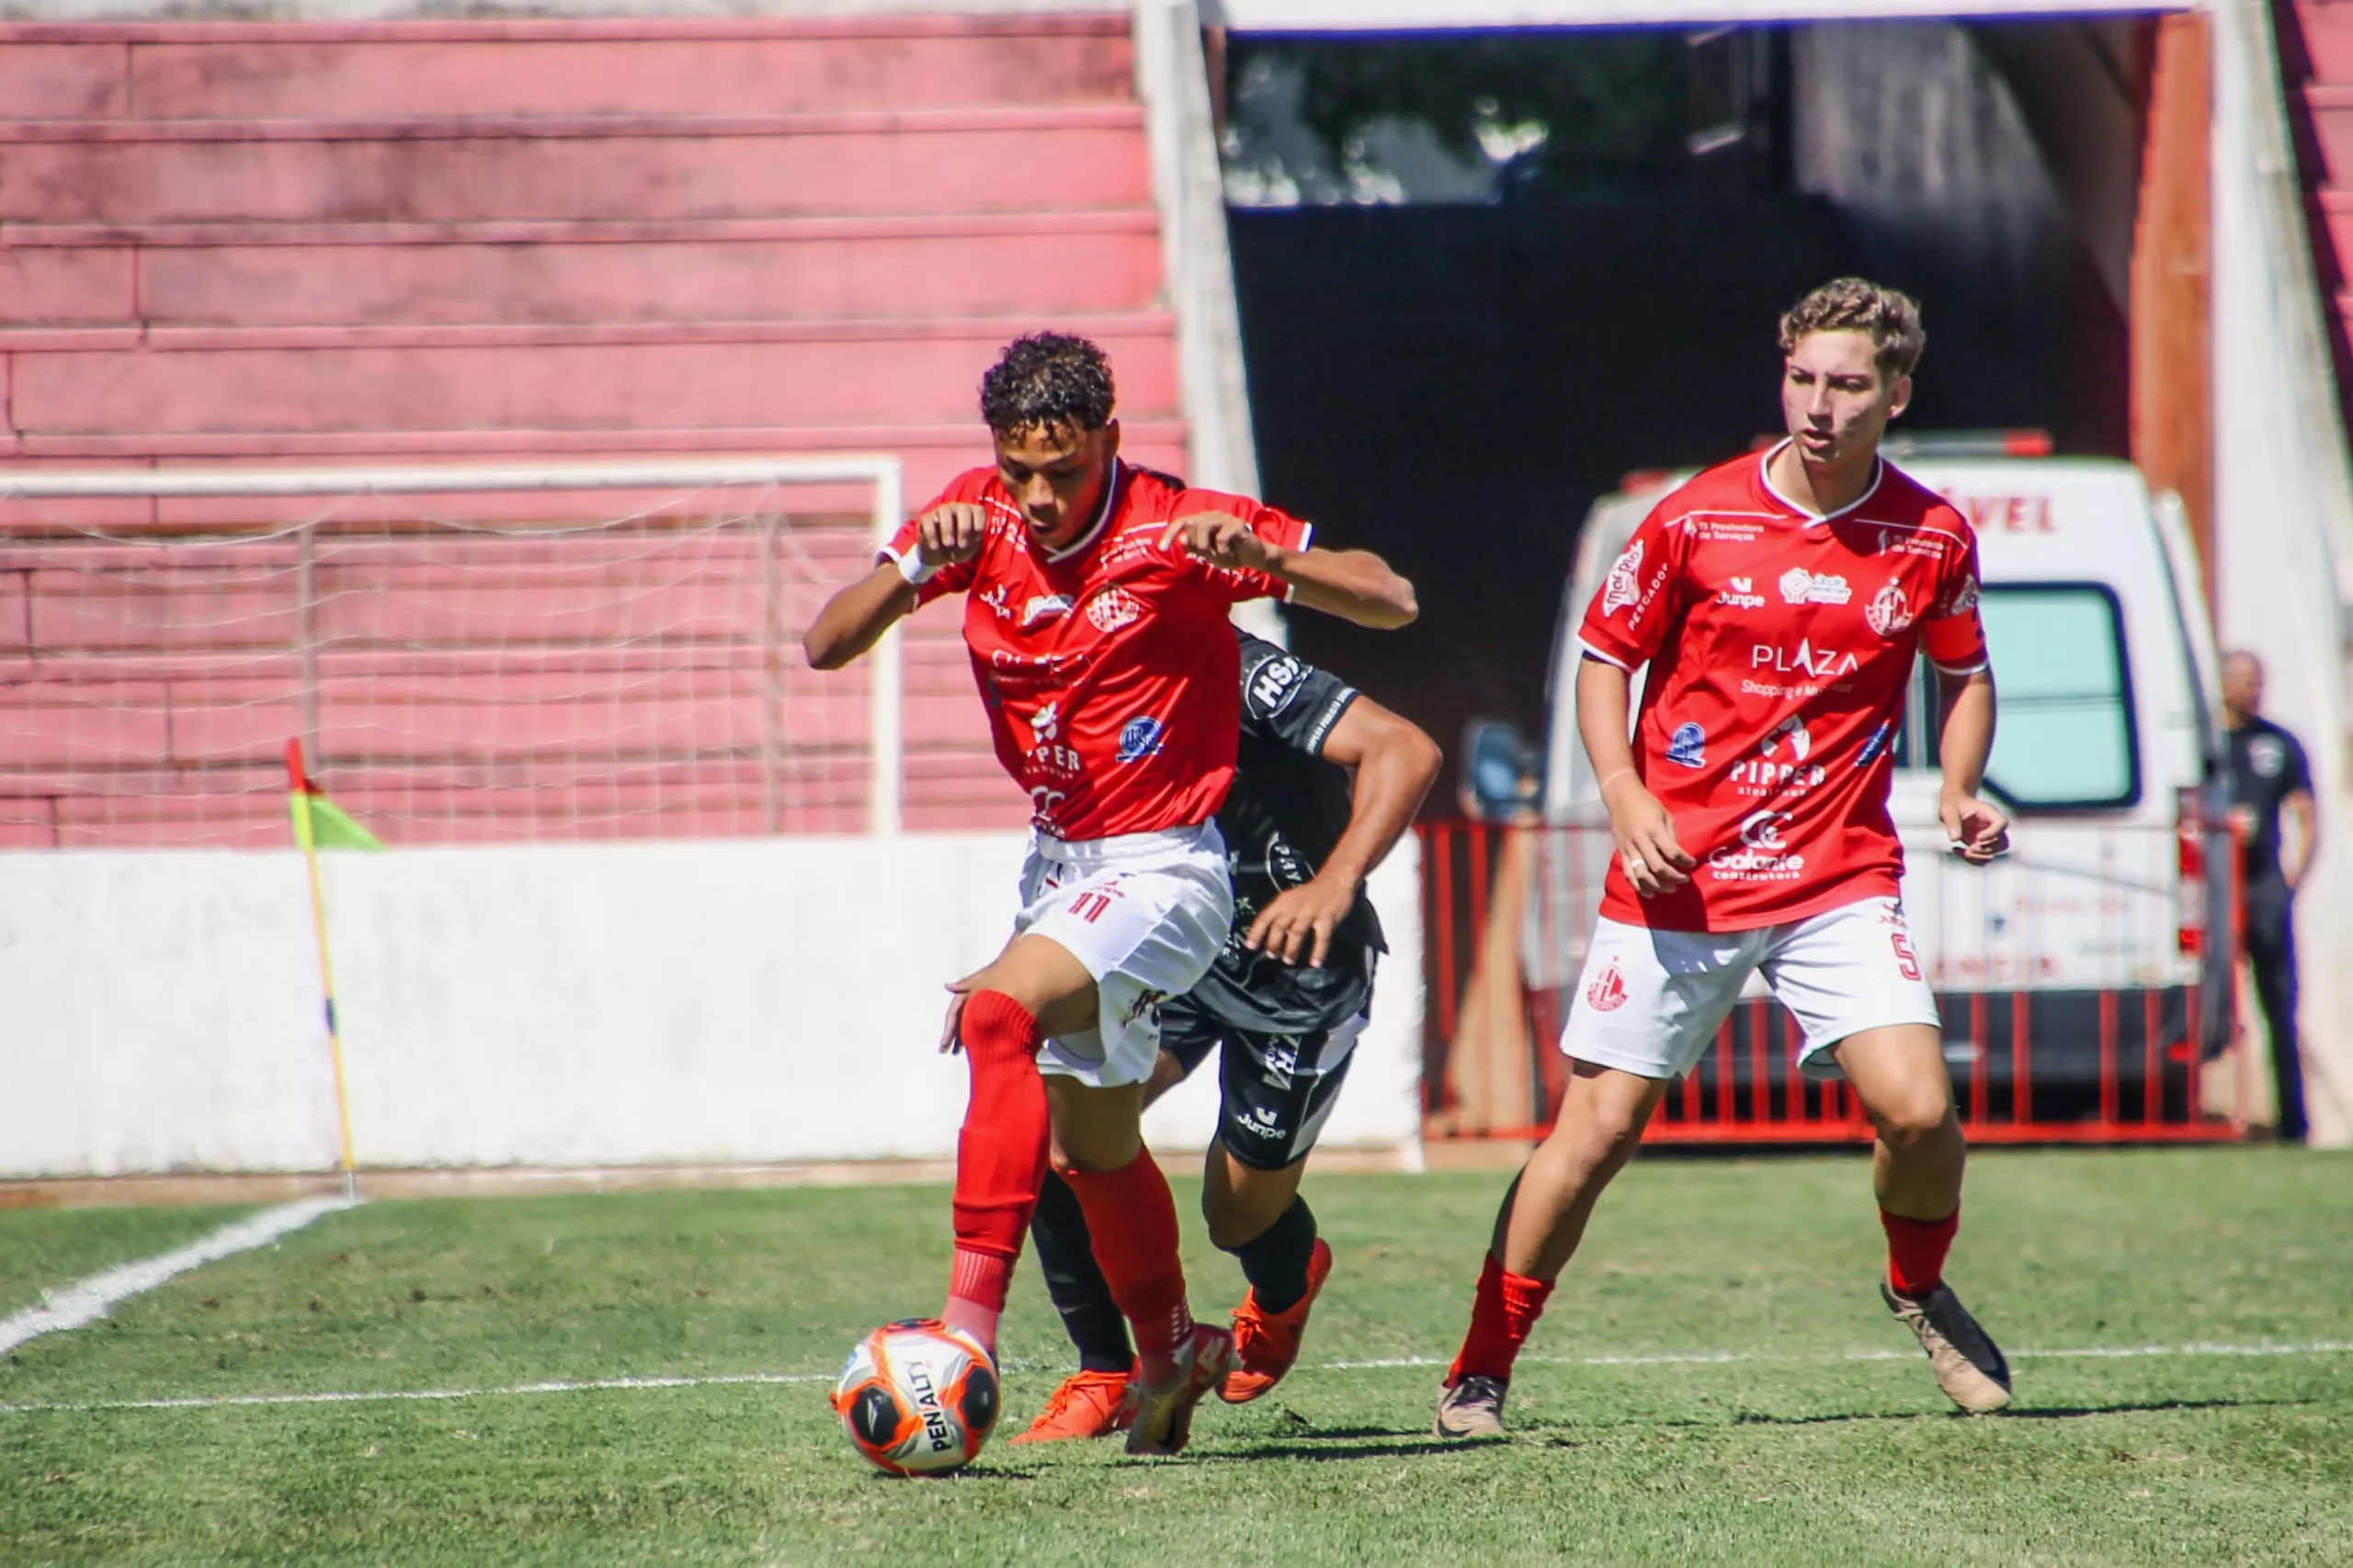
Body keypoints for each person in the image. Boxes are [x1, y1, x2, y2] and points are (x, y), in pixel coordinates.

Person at [802, 333, 1416, 1456]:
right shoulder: (973, 518)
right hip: (1062, 866)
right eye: (1017, 469)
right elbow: (823, 644)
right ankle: (1166, 1350)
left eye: (1066, 470)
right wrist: (903, 574)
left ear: (1112, 446)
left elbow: (1390, 599)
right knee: (1085, 1148)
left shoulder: (1179, 524)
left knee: (998, 1012)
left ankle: (964, 1333)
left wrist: (1273, 563)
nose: (1037, 497)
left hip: (1169, 865)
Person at [1431, 278, 2015, 1440]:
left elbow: (1965, 675)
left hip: (1836, 876)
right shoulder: (1697, 515)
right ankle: (1481, 1365)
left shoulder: (1931, 534)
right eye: (1802, 376)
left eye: (1848, 384)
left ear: (1896, 393)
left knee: (1919, 1110)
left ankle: (1914, 1287)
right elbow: (1604, 660)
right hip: (1678, 880)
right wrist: (1622, 794)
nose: (1818, 404)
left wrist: (1956, 784)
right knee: (1591, 1135)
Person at [1006, 630, 1441, 1443]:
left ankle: (1284, 1287)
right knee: (1057, 1138)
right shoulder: (1061, 669)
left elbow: (1405, 749)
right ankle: (1109, 1370)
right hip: (1172, 945)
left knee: (1235, 1218)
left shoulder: (1232, 665)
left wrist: (1335, 883)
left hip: (1294, 965)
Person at [2222, 651, 2318, 1143]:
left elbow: (2307, 814)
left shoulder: (2278, 744)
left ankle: (2293, 1125)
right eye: (2245, 682)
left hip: (2263, 890)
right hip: (2214, 890)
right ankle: (2217, 1118)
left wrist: (2291, 880)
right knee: (2210, 1005)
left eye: (2259, 682)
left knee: (2280, 1005)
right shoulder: (2206, 742)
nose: (2254, 691)